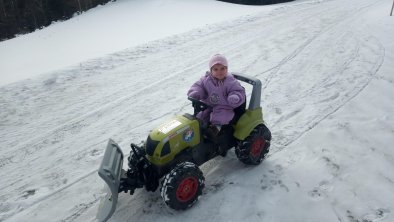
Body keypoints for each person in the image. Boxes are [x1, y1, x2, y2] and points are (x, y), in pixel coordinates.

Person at [187, 54, 246, 156]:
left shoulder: (230, 81)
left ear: (227, 69)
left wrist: (234, 97)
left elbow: (238, 91)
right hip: (209, 105)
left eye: (222, 68)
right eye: (216, 69)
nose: (219, 72)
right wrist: (196, 92)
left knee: (221, 116)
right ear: (211, 70)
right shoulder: (206, 80)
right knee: (201, 116)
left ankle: (215, 130)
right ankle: (199, 132)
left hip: (225, 107)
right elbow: (198, 86)